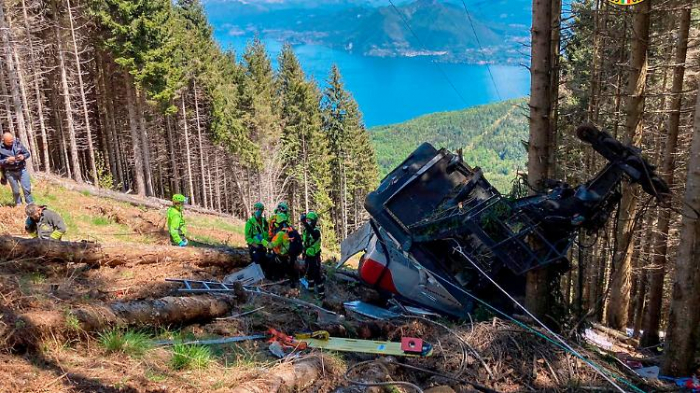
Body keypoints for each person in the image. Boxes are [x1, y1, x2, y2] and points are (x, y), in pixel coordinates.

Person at [263, 212, 303, 284]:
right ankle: (293, 278)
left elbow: (271, 245)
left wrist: (262, 240)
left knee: (271, 263)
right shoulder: (291, 229)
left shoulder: (281, 233)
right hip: (290, 255)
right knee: (286, 268)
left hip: (282, 255)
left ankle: (274, 279)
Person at [0, 132, 33, 206]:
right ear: (3, 140)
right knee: (16, 191)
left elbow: (27, 153)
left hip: (22, 170)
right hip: (10, 172)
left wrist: (23, 157)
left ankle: (30, 205)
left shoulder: (18, 144)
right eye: (9, 142)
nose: (11, 143)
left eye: (12, 140)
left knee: (26, 189)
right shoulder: (0, 148)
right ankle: (19, 205)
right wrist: (7, 160)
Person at [301, 211, 324, 298]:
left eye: (310, 220)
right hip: (308, 256)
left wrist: (305, 223)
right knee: (309, 273)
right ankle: (310, 290)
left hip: (315, 257)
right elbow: (305, 243)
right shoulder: (305, 231)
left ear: (314, 221)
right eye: (307, 220)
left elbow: (314, 235)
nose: (308, 222)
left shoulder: (316, 231)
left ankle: (321, 294)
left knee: (316, 275)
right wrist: (303, 253)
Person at [245, 202, 269, 266]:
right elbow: (248, 237)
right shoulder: (250, 222)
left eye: (259, 209)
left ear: (262, 211)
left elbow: (267, 233)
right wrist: (256, 246)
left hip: (264, 247)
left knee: (266, 264)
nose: (257, 211)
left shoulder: (264, 222)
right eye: (256, 209)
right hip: (255, 248)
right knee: (257, 265)